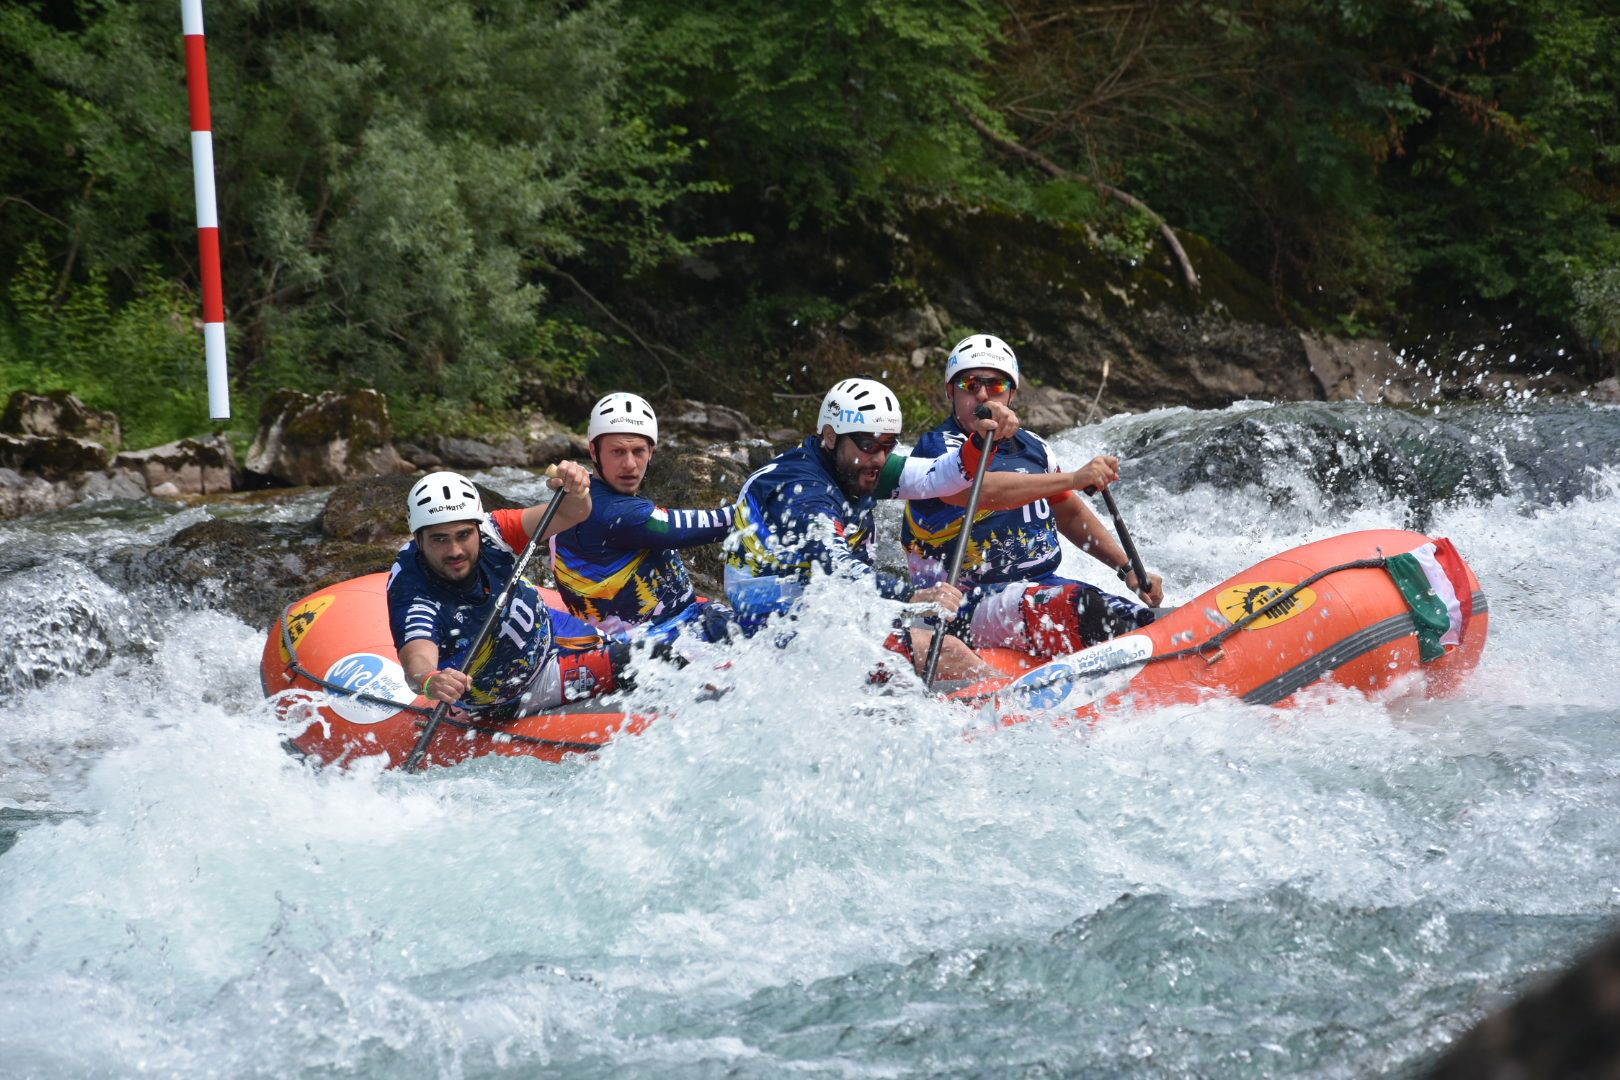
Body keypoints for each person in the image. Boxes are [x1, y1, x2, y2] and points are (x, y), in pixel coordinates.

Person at [723, 376, 1016, 680]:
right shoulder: (803, 491)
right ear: (831, 436)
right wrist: (912, 596)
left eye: (888, 445)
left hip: (822, 610)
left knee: (937, 638)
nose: (878, 458)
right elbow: (836, 566)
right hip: (771, 627)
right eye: (868, 444)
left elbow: (934, 476)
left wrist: (981, 441)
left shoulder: (852, 467)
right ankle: (1007, 700)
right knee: (941, 649)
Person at [902, 333, 1164, 659]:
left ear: (1011, 393)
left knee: (1131, 619)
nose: (983, 395)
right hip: (963, 605)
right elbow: (981, 491)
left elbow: (1068, 511)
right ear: (949, 392)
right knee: (1083, 610)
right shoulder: (936, 451)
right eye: (970, 384)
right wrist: (1072, 477)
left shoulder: (1035, 447)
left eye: (996, 385)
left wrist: (1127, 569)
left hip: (1041, 587)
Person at [387, 467, 641, 718]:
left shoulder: (493, 531)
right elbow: (417, 656)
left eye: (464, 535)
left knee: (652, 659)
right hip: (519, 690)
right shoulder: (412, 590)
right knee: (638, 664)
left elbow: (575, 512)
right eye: (439, 539)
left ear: (477, 528)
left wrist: (576, 489)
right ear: (418, 540)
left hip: (552, 630)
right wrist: (431, 680)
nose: (455, 550)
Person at [550, 392, 736, 643]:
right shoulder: (617, 514)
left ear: (652, 452)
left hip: (659, 626)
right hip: (651, 647)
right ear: (594, 452)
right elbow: (717, 523)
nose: (630, 464)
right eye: (617, 452)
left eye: (638, 451)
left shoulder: (579, 495)